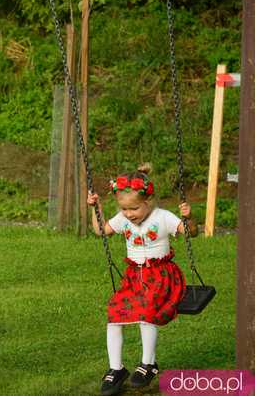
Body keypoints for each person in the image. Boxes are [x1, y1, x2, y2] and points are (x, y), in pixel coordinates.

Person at [87, 164, 198, 396]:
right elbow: (100, 231)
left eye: (134, 208)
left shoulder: (163, 217)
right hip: (133, 278)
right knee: (114, 314)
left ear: (149, 201)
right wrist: (95, 208)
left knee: (146, 313)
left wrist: (190, 218)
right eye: (124, 209)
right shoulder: (123, 218)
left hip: (161, 277)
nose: (129, 214)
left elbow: (191, 232)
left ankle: (149, 364)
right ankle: (115, 369)